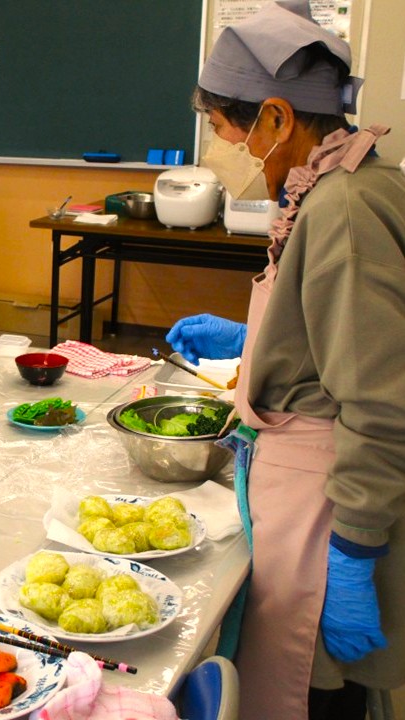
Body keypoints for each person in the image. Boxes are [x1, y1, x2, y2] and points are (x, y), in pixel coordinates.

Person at [165, 2, 405, 718]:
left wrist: (356, 548)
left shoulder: (346, 209)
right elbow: (339, 334)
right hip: (302, 483)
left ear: (276, 117)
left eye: (226, 132)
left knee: (311, 687)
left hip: (329, 503)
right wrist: (258, 342)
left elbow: (381, 399)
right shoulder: (333, 187)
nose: (228, 152)